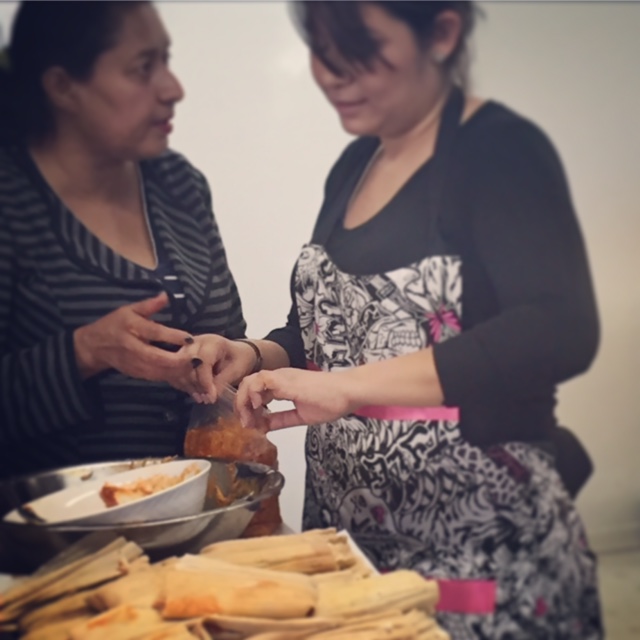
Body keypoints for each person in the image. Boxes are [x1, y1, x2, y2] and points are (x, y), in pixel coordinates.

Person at [178, 1, 602, 637]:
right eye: (322, 51)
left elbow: (558, 327)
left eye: (359, 48)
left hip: (474, 551)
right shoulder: (355, 166)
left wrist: (351, 389)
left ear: (442, 31)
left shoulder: (501, 151)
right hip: (353, 549)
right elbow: (322, 328)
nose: (333, 75)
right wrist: (257, 355)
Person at [0, 1, 251, 479]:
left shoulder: (178, 184)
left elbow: (231, 343)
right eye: (142, 68)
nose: (172, 89)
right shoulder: (11, 199)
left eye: (166, 61)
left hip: (202, 529)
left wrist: (230, 357)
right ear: (62, 87)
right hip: (59, 546)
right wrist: (85, 353)